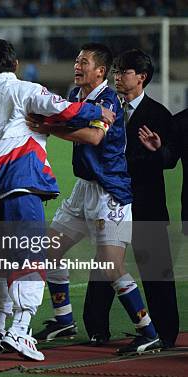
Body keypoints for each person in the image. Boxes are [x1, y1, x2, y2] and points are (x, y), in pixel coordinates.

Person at [0, 39, 113, 361]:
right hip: (18, 182)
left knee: (5, 262)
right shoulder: (23, 89)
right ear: (16, 64)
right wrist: (97, 111)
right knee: (31, 259)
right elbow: (62, 107)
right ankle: (21, 331)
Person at [30, 43, 163, 355]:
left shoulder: (108, 101)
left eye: (84, 62)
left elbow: (94, 136)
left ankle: (148, 330)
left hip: (109, 192)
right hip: (84, 188)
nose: (77, 66)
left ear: (101, 71)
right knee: (49, 248)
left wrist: (48, 128)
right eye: (76, 60)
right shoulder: (80, 97)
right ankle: (63, 319)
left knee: (111, 265)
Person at [81, 49, 179, 349]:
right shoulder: (108, 107)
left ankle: (166, 332)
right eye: (117, 71)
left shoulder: (158, 114)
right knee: (105, 265)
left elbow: (171, 159)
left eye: (124, 72)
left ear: (142, 78)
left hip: (146, 205)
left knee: (156, 271)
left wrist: (158, 150)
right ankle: (97, 328)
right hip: (112, 202)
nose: (117, 76)